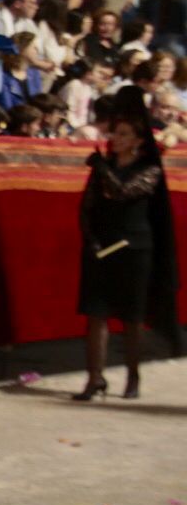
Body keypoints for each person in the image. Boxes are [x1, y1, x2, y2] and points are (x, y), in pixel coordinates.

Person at [74, 101, 179, 400]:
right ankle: (95, 377)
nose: (115, 139)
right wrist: (90, 238)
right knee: (96, 314)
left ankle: (133, 377)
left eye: (123, 134)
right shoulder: (103, 169)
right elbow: (87, 207)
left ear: (137, 141)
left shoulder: (149, 170)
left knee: (132, 317)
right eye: (115, 133)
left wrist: (102, 167)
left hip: (135, 247)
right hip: (102, 245)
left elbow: (123, 192)